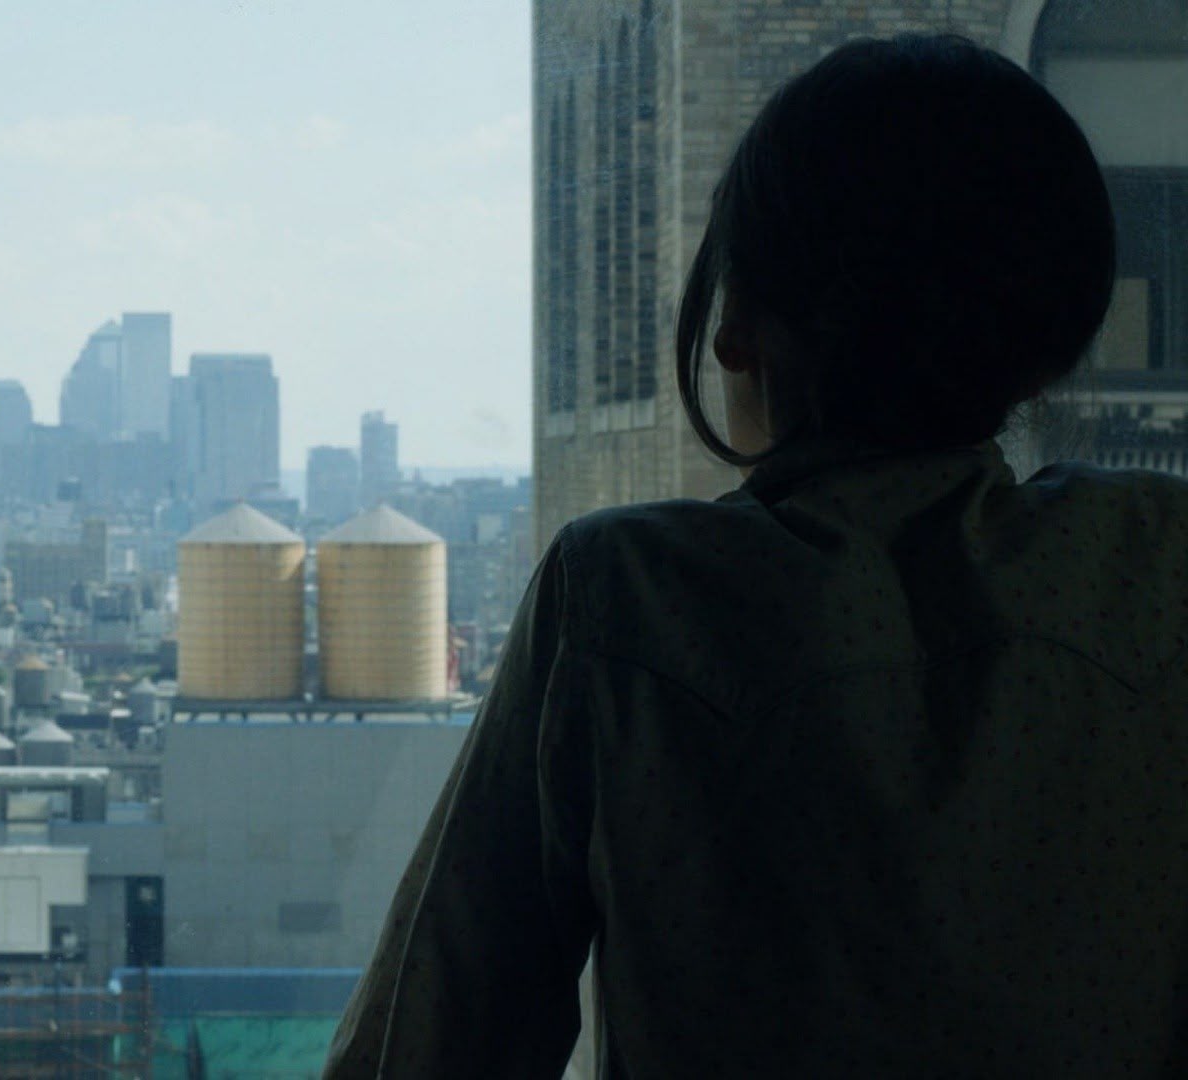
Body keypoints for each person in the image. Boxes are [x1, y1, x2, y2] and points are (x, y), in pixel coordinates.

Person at [326, 33, 1188, 1077]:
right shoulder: (1153, 568)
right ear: (1051, 348)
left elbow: (430, 1039)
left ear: (736, 324)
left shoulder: (633, 596)